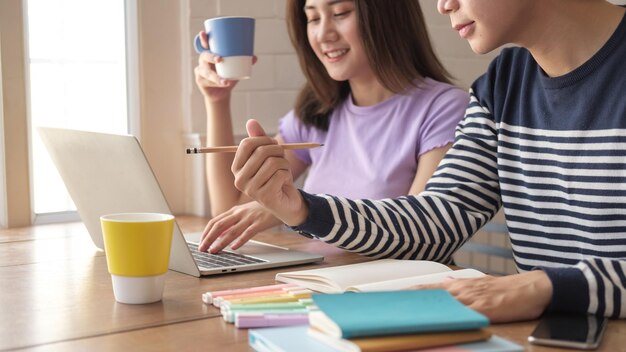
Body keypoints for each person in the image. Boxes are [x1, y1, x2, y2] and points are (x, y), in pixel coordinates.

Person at [228, 0, 626, 323]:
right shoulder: (502, 84)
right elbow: (438, 219)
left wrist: (545, 287)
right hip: (552, 335)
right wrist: (302, 208)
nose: (442, 5)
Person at [194, 0, 469, 253]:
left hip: (390, 293)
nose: (323, 34)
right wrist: (217, 101)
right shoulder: (317, 111)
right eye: (313, 18)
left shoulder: (443, 108)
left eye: (340, 13)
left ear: (387, 15)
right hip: (316, 283)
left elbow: (419, 234)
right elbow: (229, 215)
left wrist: (294, 209)